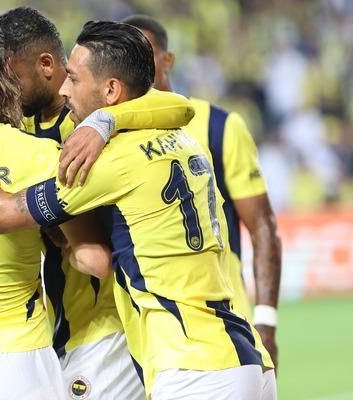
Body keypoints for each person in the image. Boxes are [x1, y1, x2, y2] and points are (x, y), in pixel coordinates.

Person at [0, 20, 277, 399]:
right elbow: (179, 105)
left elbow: (5, 213)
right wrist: (110, 118)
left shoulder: (106, 161)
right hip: (239, 349)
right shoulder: (182, 137)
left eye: (74, 78)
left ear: (111, 89)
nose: (65, 87)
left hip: (187, 363)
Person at [0, 7, 142, 399]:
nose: (6, 90)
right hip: (66, 324)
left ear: (46, 64)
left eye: (12, 78)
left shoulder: (88, 126)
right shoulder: (21, 130)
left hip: (106, 324)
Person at [119, 15, 282, 368]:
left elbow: (262, 225)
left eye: (144, 54)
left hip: (223, 325)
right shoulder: (109, 136)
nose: (135, 65)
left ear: (168, 60)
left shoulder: (219, 127)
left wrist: (266, 321)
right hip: (143, 335)